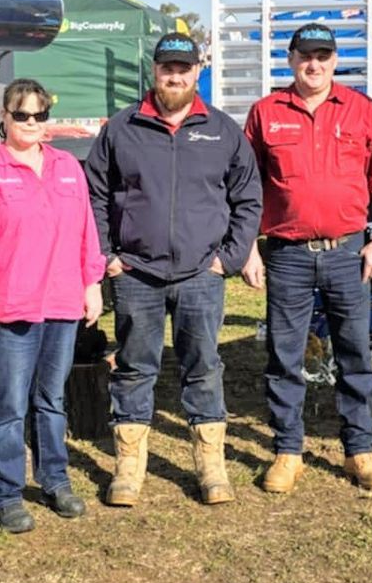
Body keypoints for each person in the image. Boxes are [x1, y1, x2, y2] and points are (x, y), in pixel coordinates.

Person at [86, 33, 262, 507]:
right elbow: (95, 197)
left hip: (200, 275)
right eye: (168, 68)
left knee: (203, 368)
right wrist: (108, 257)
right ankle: (128, 470)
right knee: (134, 367)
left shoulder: (222, 131)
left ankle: (211, 468)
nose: (176, 76)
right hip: (136, 273)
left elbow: (248, 198)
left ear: (197, 72)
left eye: (184, 68)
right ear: (155, 70)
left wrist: (229, 257)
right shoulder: (121, 129)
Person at [241, 24, 372, 494]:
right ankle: (288, 451)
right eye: (304, 55)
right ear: (290, 60)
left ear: (335, 60)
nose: (313, 64)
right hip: (287, 254)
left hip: (348, 253)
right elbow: (245, 188)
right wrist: (249, 247)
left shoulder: (360, 109)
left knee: (354, 353)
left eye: (323, 55)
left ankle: (359, 450)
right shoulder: (266, 113)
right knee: (285, 356)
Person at [0, 78, 106, 534]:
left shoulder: (67, 168)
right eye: (22, 115)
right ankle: (6, 494)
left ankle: (55, 480)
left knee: (52, 400)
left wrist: (92, 284)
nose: (31, 124)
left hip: (62, 303)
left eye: (39, 116)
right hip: (12, 307)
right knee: (10, 405)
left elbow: (86, 229)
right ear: (5, 116)